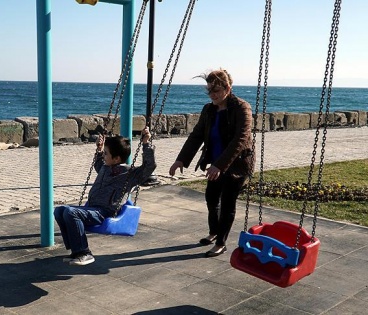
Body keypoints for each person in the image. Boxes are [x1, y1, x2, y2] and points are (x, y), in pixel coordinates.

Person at [169, 69, 255, 258]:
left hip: (236, 165)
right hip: (215, 162)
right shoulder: (209, 110)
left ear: (228, 88)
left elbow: (240, 140)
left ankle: (221, 243)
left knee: (227, 203)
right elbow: (197, 135)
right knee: (211, 198)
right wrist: (181, 159)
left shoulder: (242, 107)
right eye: (209, 91)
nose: (212, 95)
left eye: (216, 90)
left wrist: (220, 165)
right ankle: (214, 231)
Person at [54, 127, 157, 266]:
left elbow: (149, 166)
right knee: (59, 210)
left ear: (116, 159)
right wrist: (100, 148)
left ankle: (84, 252)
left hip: (104, 212)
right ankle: (76, 251)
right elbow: (98, 163)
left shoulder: (129, 174)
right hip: (92, 208)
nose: (104, 156)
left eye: (106, 154)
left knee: (71, 213)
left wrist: (146, 143)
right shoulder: (105, 168)